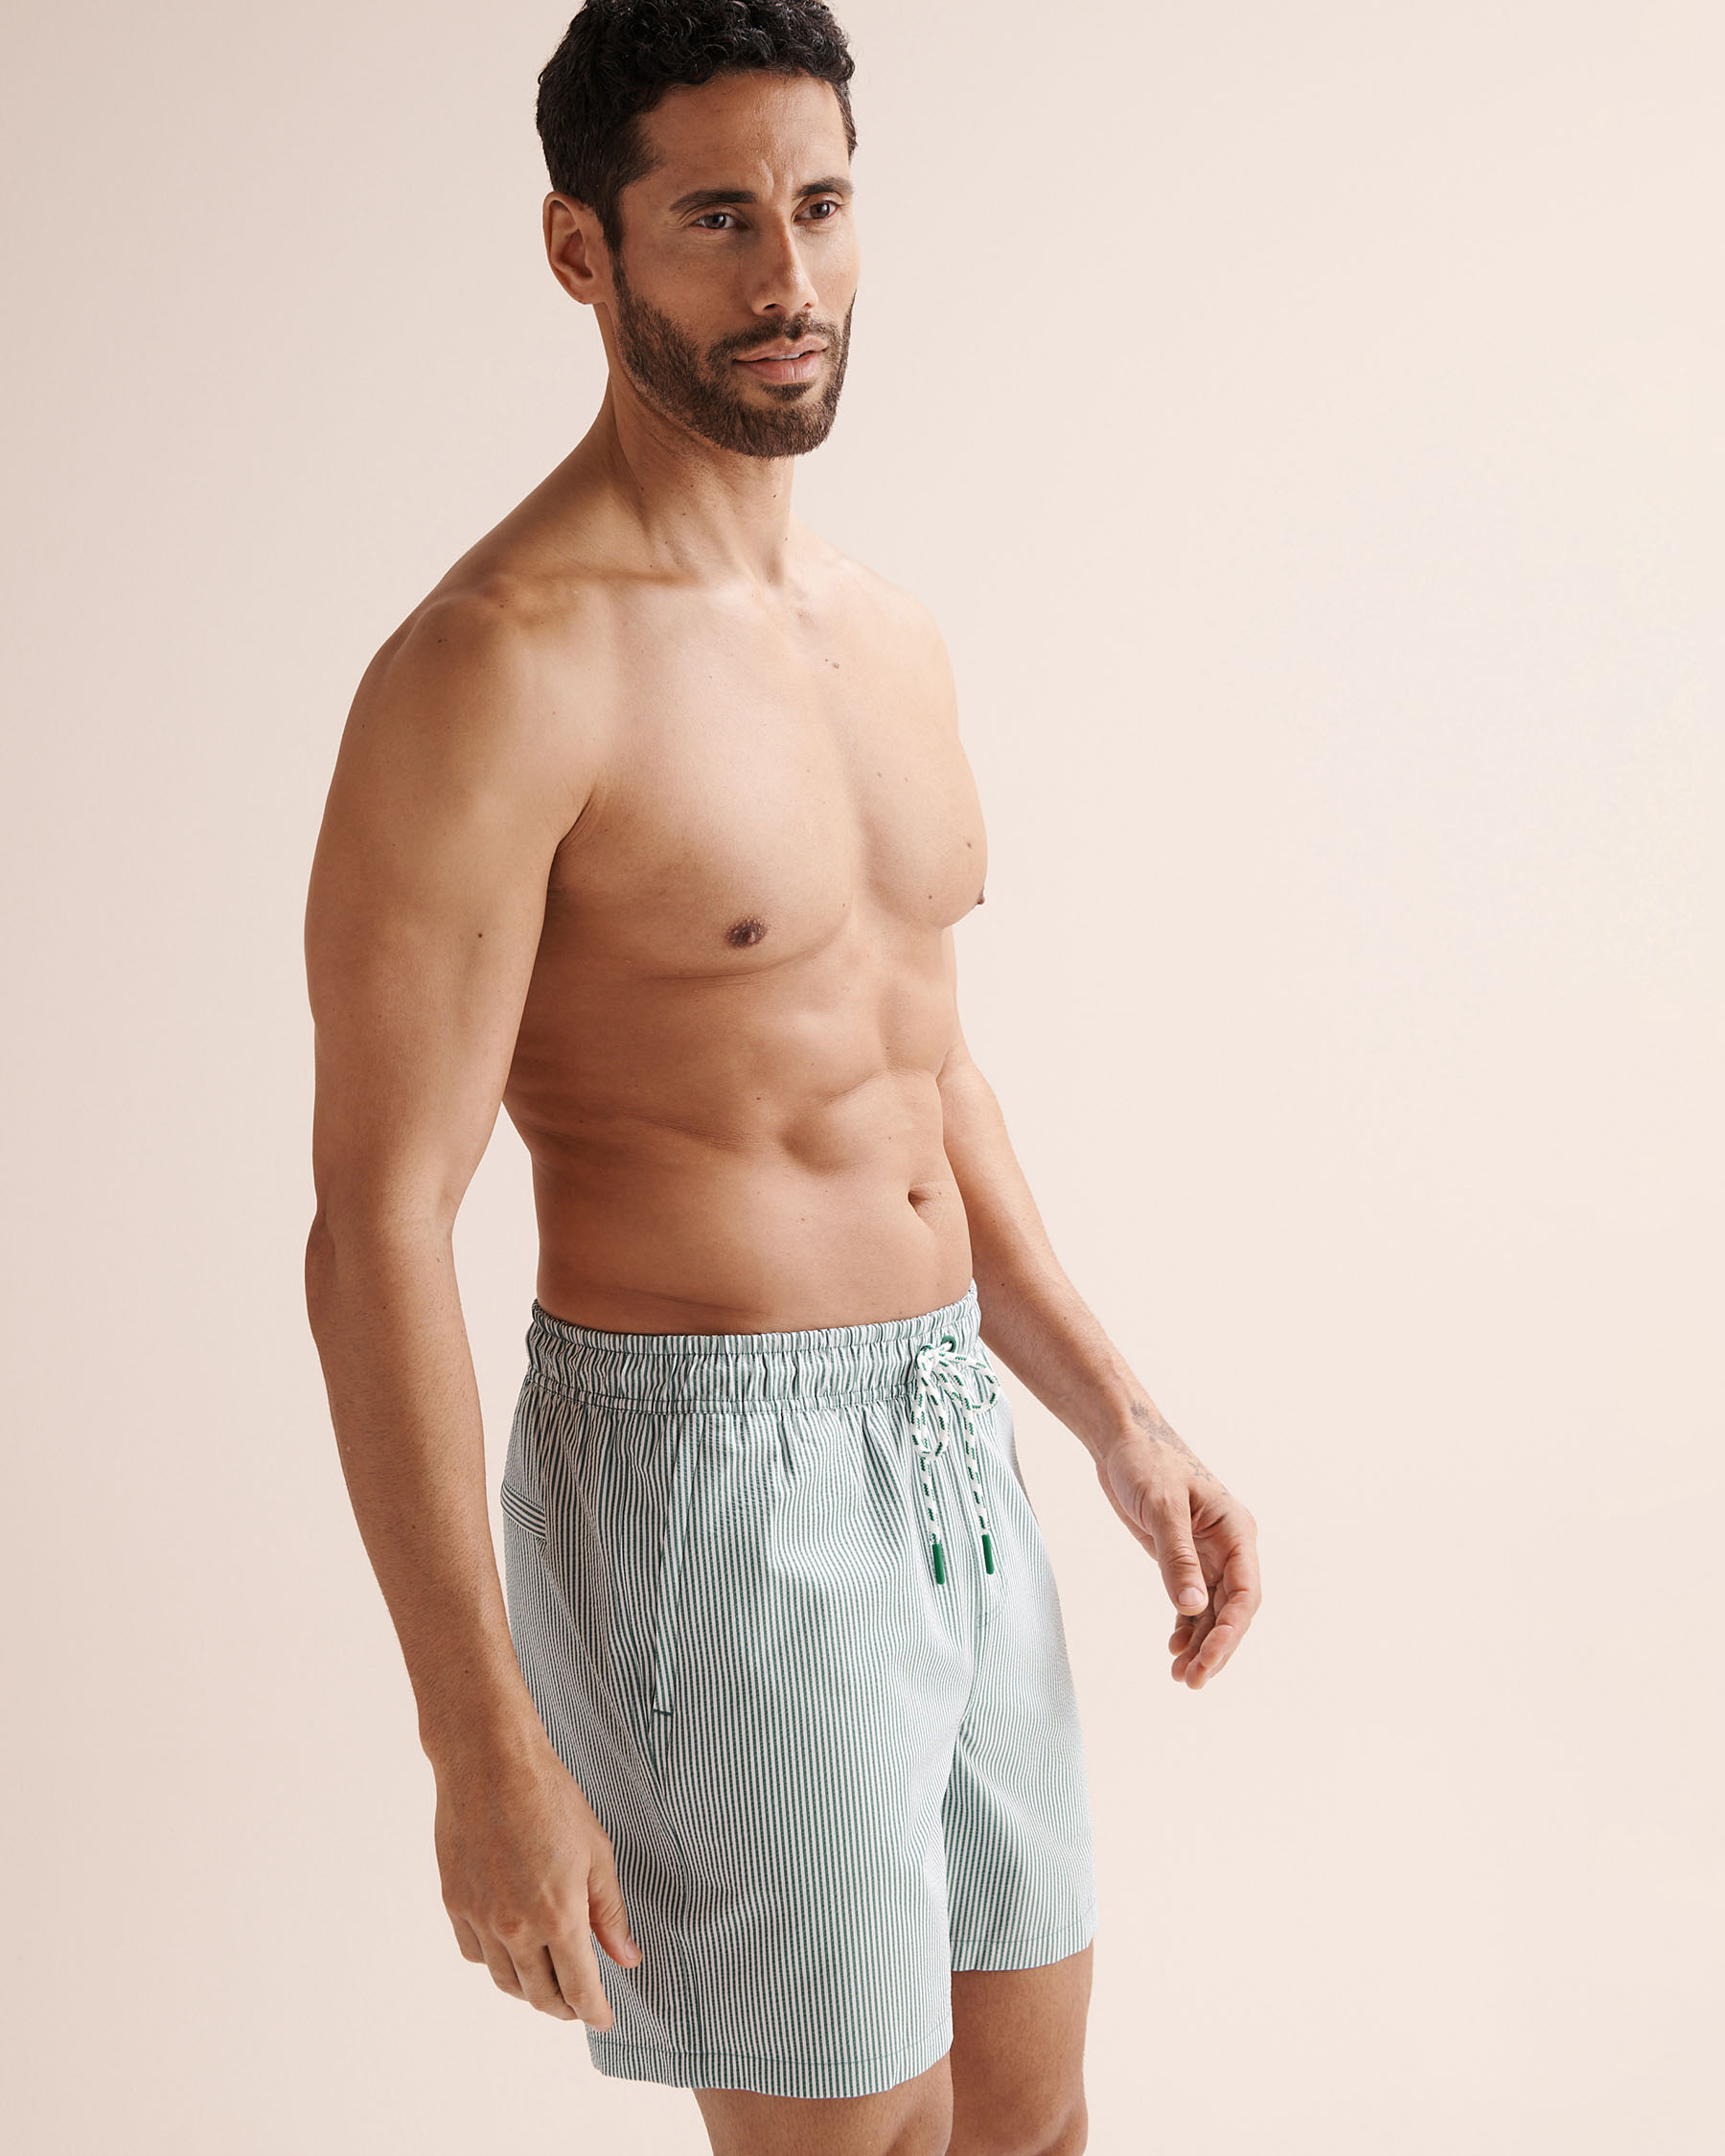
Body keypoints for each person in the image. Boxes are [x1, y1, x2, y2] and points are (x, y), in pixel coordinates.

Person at [302, 4, 1261, 2150]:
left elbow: (923, 1075)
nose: (789, 277)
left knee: (1030, 2118)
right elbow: (374, 1222)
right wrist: (476, 1742)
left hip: (949, 1446)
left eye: (820, 207)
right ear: (583, 250)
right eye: (719, 219)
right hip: (703, 1486)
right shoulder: (496, 667)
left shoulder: (888, 634)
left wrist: (1117, 1414)